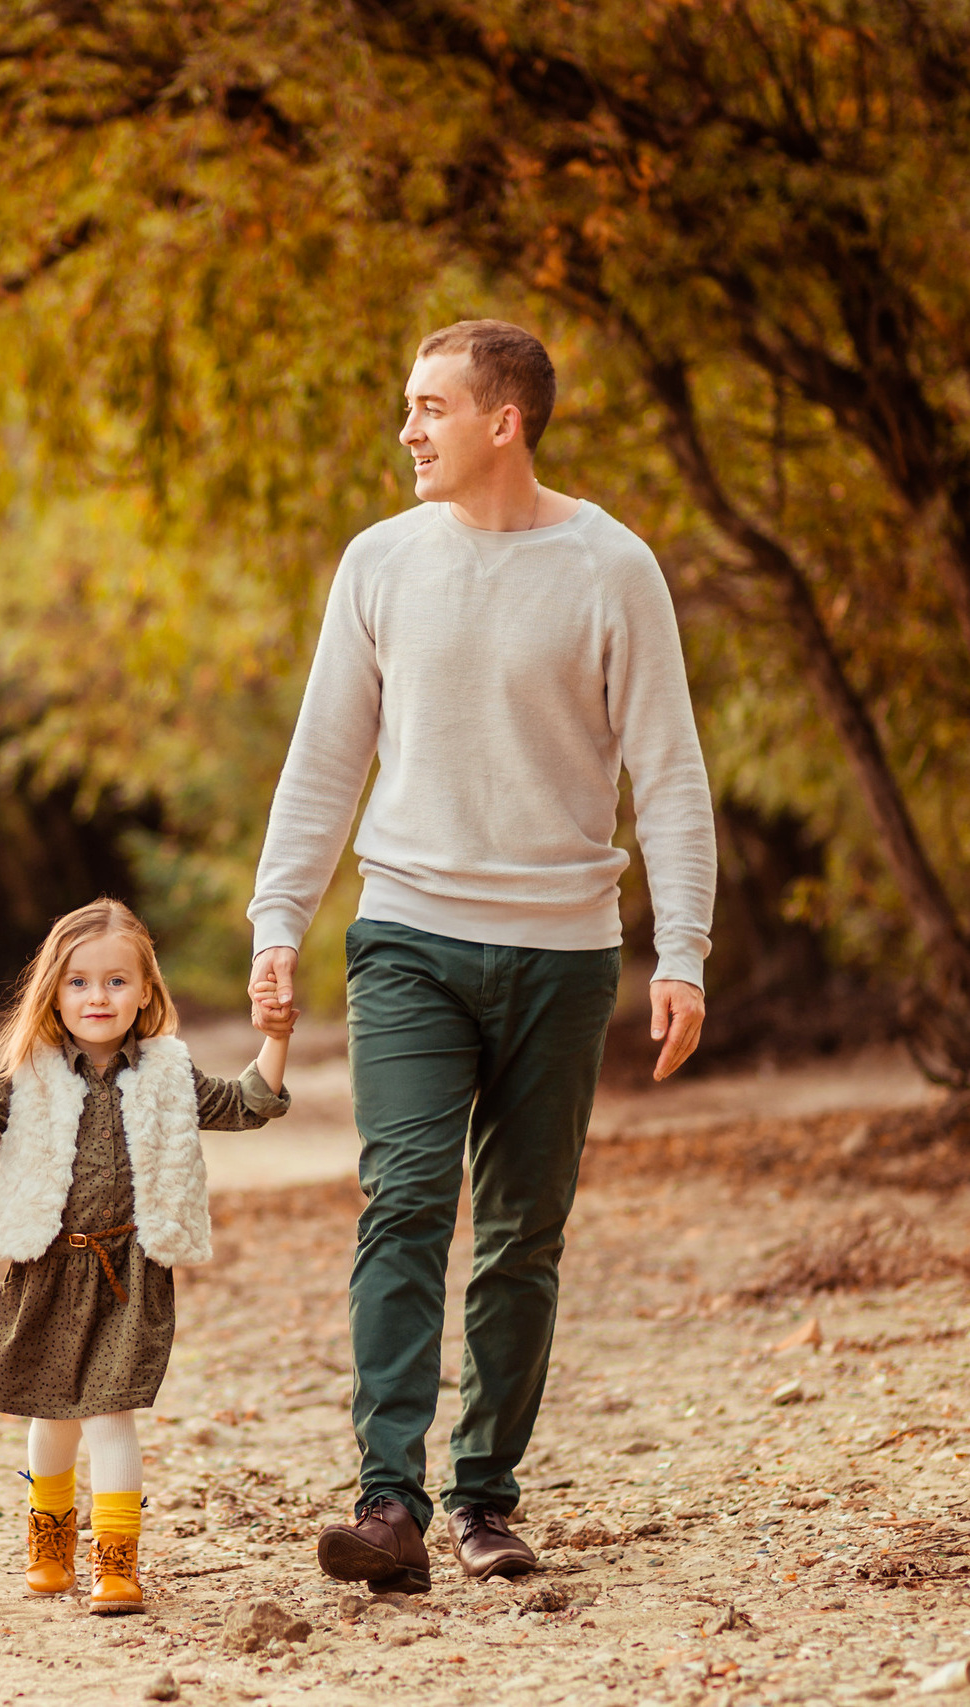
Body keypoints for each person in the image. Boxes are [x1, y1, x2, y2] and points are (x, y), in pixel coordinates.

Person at [247, 320, 716, 1592]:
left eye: (429, 406)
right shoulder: (380, 562)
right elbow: (327, 756)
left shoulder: (612, 567)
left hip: (563, 953)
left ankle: (485, 1499)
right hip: (408, 935)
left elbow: (668, 772)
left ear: (502, 421)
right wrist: (276, 920)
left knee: (522, 1232)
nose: (408, 428)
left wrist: (685, 950)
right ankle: (387, 1503)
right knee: (403, 1198)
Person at [0, 899, 295, 1615]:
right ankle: (48, 1539)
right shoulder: (29, 1073)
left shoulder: (168, 1073)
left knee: (110, 1414)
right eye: (80, 982)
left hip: (129, 1275)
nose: (98, 997)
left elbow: (246, 1102)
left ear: (146, 990)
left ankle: (115, 1561)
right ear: (54, 992)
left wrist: (274, 1037)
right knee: (52, 1417)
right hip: (48, 1269)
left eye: (116, 981)